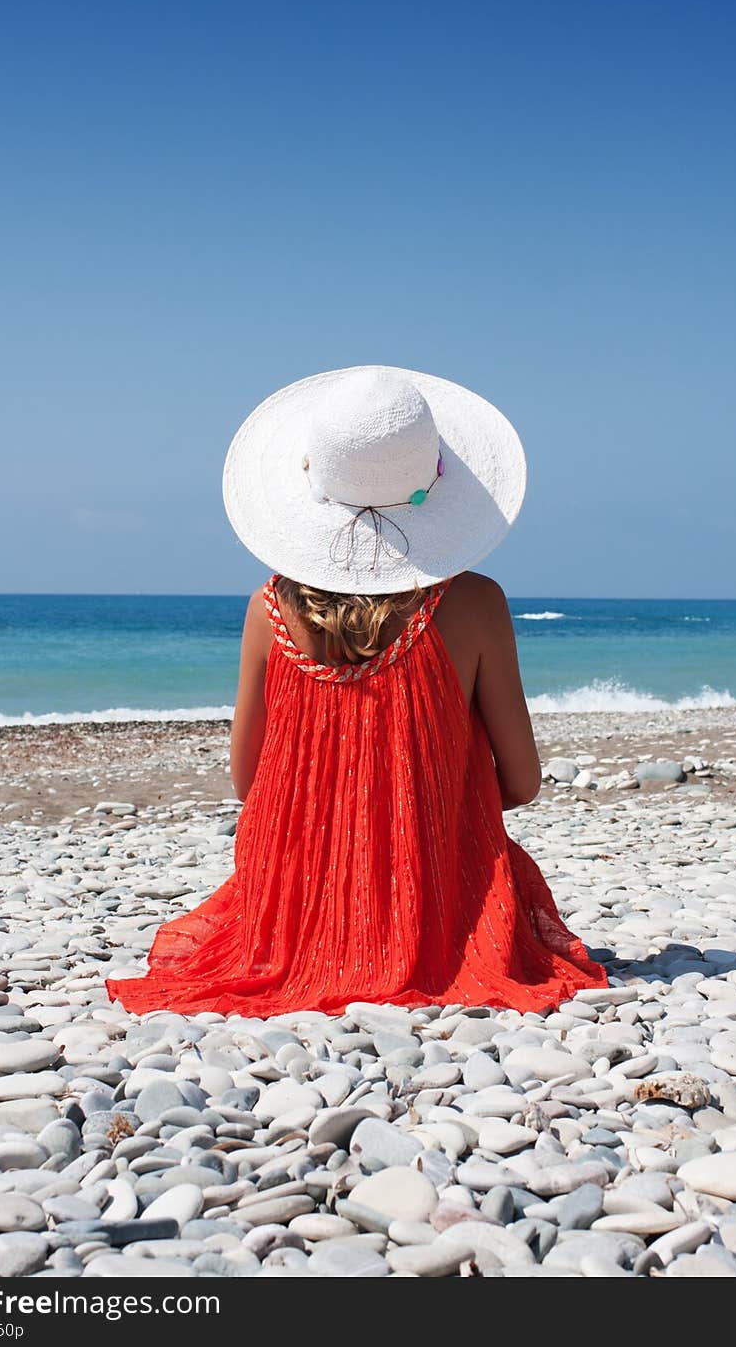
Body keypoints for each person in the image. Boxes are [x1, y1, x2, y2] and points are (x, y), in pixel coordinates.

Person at [106, 365, 607, 1017]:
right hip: (426, 902)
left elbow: (247, 784)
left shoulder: (268, 609)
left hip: (293, 901)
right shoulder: (476, 605)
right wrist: (420, 804)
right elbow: (522, 781)